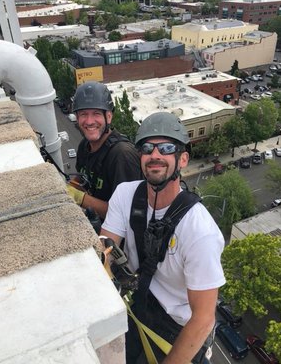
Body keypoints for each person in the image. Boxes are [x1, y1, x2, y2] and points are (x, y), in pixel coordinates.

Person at [100, 112, 226, 364]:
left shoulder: (199, 230)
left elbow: (203, 318)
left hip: (177, 326)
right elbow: (104, 251)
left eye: (166, 148)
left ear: (183, 159)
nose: (155, 154)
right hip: (139, 303)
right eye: (147, 148)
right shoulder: (125, 196)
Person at [66, 81, 142, 220]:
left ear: (108, 117)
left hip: (119, 238)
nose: (89, 121)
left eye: (96, 113)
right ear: (77, 118)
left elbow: (124, 214)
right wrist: (65, 190)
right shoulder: (85, 146)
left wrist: (79, 198)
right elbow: (83, 178)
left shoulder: (122, 155)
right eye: (83, 114)